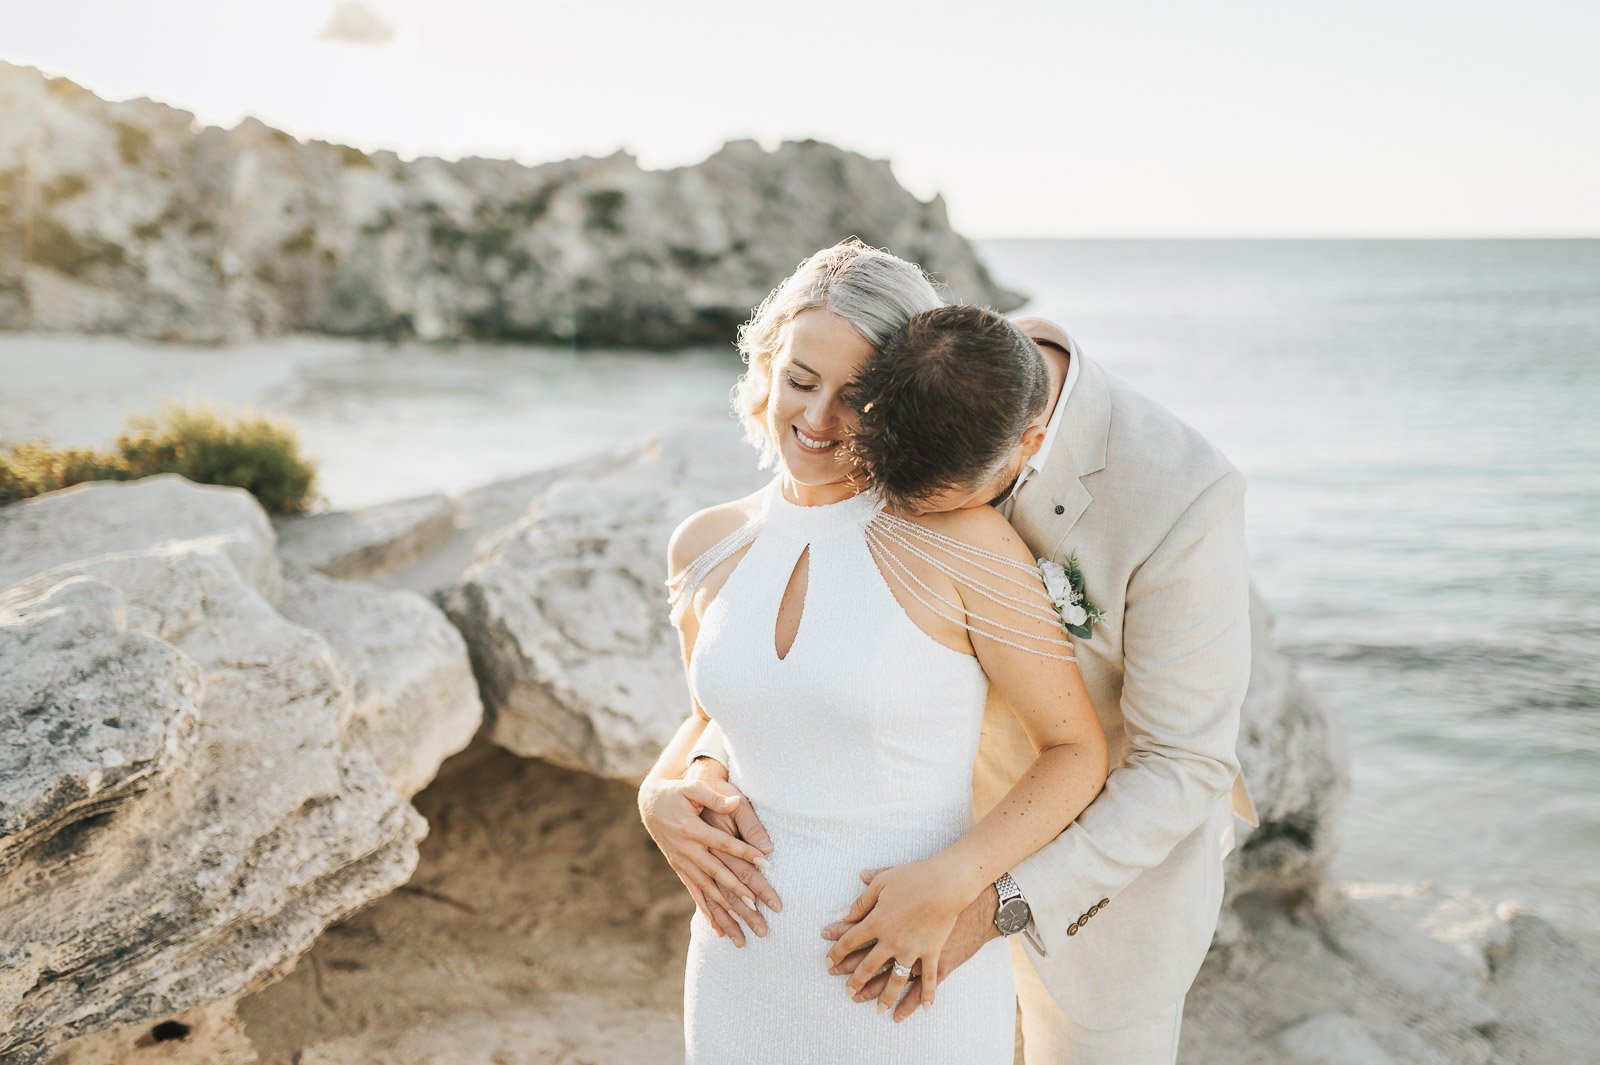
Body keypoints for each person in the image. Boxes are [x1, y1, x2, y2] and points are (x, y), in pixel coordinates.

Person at [646, 281, 1262, 1064]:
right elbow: (739, 700)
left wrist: (976, 903)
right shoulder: (938, 364)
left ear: (1027, 445)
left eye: (854, 406)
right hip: (779, 945)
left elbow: (1182, 762)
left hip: (1095, 892)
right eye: (801, 383)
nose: (902, 510)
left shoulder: (1180, 497)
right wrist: (666, 783)